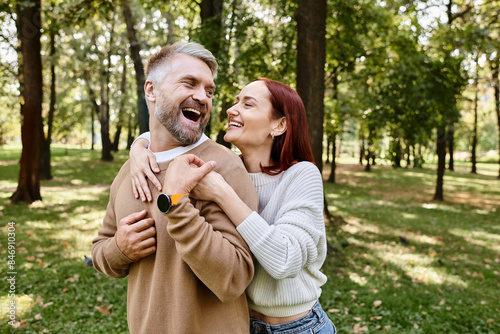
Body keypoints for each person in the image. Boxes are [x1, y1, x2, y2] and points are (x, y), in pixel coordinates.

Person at [130, 78, 336, 334]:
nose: (230, 109)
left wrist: (222, 193)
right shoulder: (223, 168)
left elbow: (285, 261)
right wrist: (138, 147)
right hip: (240, 326)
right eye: (235, 101)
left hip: (298, 328)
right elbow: (171, 131)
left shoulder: (301, 175)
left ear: (279, 124)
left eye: (248, 104)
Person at [91, 42, 258, 334]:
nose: (202, 97)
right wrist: (120, 249)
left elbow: (235, 277)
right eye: (189, 83)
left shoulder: (222, 166)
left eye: (209, 90)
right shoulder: (131, 168)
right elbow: (100, 251)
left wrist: (177, 205)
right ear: (151, 90)